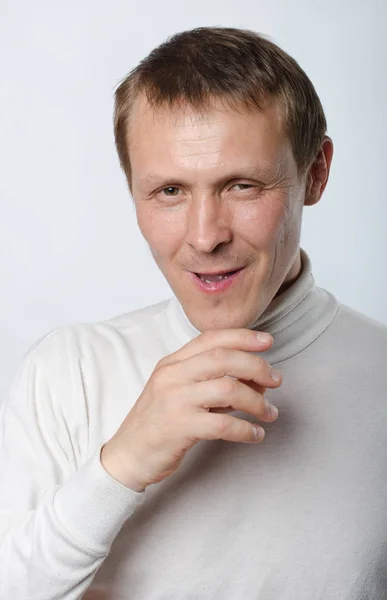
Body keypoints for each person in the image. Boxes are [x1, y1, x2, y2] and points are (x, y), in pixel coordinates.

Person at [1, 25, 386, 600]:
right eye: (169, 192)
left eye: (242, 186)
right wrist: (120, 466)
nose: (205, 238)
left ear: (317, 172)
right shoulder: (67, 372)